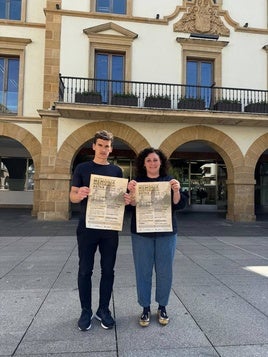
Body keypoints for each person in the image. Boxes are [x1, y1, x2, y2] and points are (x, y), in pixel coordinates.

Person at [70, 130, 131, 331]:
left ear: (111, 148)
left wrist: (125, 199)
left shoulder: (116, 172)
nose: (104, 149)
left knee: (108, 270)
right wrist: (79, 194)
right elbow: (72, 196)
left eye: (107, 146)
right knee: (85, 269)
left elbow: (120, 199)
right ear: (94, 146)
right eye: (100, 145)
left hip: (109, 228)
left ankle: (103, 309)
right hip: (88, 227)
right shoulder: (82, 168)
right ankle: (85, 310)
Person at [127, 147, 187, 327]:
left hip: (166, 233)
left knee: (165, 271)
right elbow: (131, 207)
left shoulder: (169, 181)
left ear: (161, 162)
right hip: (141, 233)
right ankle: (145, 307)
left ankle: (162, 306)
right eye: (148, 160)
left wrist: (176, 190)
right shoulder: (136, 182)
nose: (152, 163)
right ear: (143, 164)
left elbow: (180, 204)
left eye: (155, 160)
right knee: (142, 271)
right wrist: (131, 194)